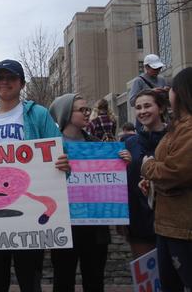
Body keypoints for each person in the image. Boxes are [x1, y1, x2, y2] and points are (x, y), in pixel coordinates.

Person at [0, 59, 70, 292]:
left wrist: (64, 163)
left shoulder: (38, 114)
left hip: (29, 211)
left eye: (11, 78)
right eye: (0, 78)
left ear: (21, 83)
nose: (5, 82)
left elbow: (60, 152)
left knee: (29, 278)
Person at [49, 93, 130, 292]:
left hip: (95, 227)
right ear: (66, 114)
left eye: (88, 109)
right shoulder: (51, 148)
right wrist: (53, 168)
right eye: (81, 110)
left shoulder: (98, 145)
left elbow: (110, 184)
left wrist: (121, 162)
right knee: (63, 279)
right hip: (64, 225)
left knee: (95, 280)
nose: (87, 114)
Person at [141, 67, 192, 290]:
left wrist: (148, 168)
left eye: (172, 88)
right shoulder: (178, 127)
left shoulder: (188, 129)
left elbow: (177, 171)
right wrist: (152, 183)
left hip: (182, 227)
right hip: (168, 223)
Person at [124, 90, 167, 259]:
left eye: (148, 106)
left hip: (170, 218)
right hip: (139, 220)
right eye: (138, 107)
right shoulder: (129, 143)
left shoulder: (174, 139)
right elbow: (125, 183)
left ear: (161, 108)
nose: (142, 111)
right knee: (146, 280)